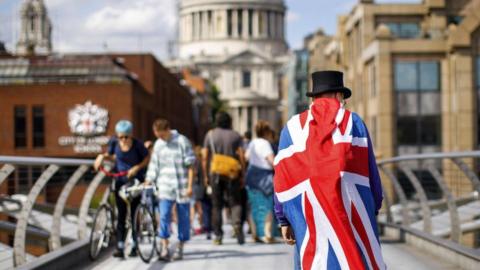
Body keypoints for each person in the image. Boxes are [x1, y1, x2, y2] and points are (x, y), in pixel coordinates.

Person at [273, 71, 386, 270]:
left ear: (314, 97)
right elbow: (370, 173)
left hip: (307, 218)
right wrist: (373, 207)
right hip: (350, 215)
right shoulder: (354, 123)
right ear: (338, 95)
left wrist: (283, 219)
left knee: (310, 258)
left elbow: (282, 178)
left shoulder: (291, 128)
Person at [93, 120, 150, 258]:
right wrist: (101, 156)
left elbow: (147, 157)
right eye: (120, 137)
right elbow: (112, 155)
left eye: (126, 137)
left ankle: (135, 246)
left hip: (135, 182)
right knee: (121, 214)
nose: (123, 140)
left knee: (134, 213)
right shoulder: (114, 143)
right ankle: (120, 246)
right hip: (120, 180)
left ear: (131, 135)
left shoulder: (138, 145)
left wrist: (136, 168)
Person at [145, 119, 195, 261]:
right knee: (164, 216)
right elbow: (154, 165)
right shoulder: (159, 144)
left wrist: (190, 186)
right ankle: (165, 247)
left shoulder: (182, 141)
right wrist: (149, 179)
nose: (160, 138)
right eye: (157, 136)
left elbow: (191, 165)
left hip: (182, 185)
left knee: (183, 218)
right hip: (165, 185)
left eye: (161, 135)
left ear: (168, 130)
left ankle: (180, 246)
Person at [201, 111, 246, 245]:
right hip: (232, 172)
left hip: (215, 173)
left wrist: (205, 176)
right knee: (235, 202)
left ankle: (218, 235)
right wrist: (242, 172)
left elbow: (204, 158)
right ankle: (237, 225)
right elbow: (242, 155)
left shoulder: (210, 135)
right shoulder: (236, 135)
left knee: (216, 205)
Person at [245, 120, 276, 243]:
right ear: (266, 132)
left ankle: (255, 233)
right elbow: (272, 161)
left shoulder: (252, 143)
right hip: (264, 177)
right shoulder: (265, 143)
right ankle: (267, 234)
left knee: (254, 205)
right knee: (267, 204)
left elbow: (247, 157)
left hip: (252, 175)